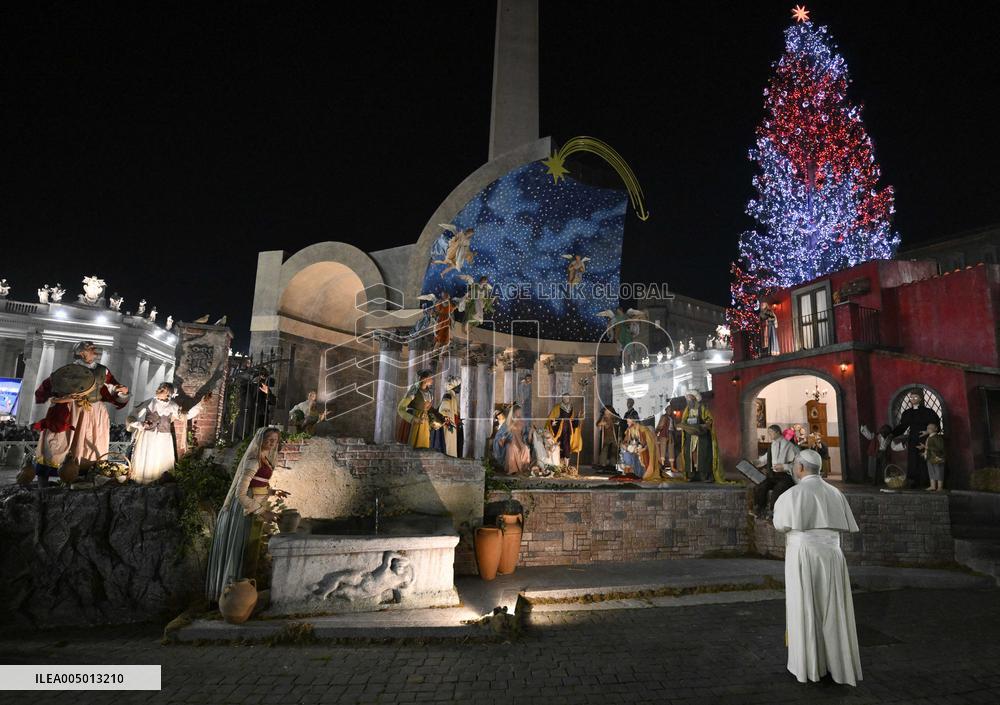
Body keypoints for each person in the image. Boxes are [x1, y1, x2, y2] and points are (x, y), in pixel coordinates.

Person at [773, 449, 862, 687]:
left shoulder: (792, 495)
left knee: (805, 605)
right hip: (833, 555)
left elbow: (781, 524)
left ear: (800, 468)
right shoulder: (835, 493)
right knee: (834, 607)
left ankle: (809, 665)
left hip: (803, 554)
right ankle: (839, 664)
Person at [205, 427, 289, 600]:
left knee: (249, 550)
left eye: (275, 440)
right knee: (240, 549)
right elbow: (241, 493)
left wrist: (273, 492)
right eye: (269, 439)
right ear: (260, 439)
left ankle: (244, 595)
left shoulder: (265, 459)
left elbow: (257, 485)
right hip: (244, 510)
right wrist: (263, 512)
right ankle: (232, 596)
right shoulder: (253, 460)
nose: (272, 443)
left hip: (255, 507)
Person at [32, 341, 130, 484]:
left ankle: (85, 476)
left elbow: (112, 387)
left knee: (91, 443)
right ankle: (51, 476)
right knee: (61, 442)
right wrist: (61, 398)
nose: (94, 350)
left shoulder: (103, 370)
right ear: (81, 352)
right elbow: (48, 388)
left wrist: (121, 390)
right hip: (71, 410)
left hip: (95, 412)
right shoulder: (68, 370)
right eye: (90, 348)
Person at [129, 383, 209, 484]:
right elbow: (133, 414)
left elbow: (185, 416)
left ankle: (159, 483)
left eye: (168, 393)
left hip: (164, 438)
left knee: (160, 461)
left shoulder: (172, 405)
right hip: (148, 437)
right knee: (148, 459)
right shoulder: (150, 402)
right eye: (163, 391)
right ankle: (143, 483)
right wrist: (140, 424)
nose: (166, 395)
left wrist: (200, 404)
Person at [891, 390, 941, 489]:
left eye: (915, 397)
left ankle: (927, 481)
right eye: (911, 397)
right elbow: (903, 426)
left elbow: (935, 425)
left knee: (925, 459)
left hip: (926, 439)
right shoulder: (907, 413)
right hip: (913, 438)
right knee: (913, 459)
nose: (913, 399)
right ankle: (915, 481)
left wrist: (927, 432)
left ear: (920, 398)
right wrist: (892, 434)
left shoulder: (928, 412)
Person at [751, 425, 798, 519]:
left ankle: (773, 512)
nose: (769, 435)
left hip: (786, 476)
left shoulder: (790, 446)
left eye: (771, 432)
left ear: (777, 432)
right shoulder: (772, 445)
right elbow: (763, 460)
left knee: (779, 488)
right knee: (761, 484)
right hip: (773, 475)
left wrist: (784, 467)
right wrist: (754, 462)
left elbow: (798, 464)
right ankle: (760, 509)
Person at [677, 391, 724, 483]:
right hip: (690, 437)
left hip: (701, 437)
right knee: (689, 455)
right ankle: (691, 475)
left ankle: (704, 476)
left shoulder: (702, 408)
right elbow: (684, 421)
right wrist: (683, 426)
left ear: (695, 399)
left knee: (703, 455)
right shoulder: (687, 410)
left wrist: (704, 425)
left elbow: (709, 419)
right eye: (687, 400)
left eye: (690, 399)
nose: (688, 401)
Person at [396, 370, 439, 449]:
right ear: (424, 379)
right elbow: (400, 408)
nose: (432, 380)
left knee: (423, 448)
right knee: (411, 449)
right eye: (430, 378)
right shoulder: (414, 392)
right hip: (413, 424)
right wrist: (413, 418)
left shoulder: (430, 394)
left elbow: (428, 410)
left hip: (424, 425)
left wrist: (438, 418)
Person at [493, 404, 532, 475]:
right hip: (510, 443)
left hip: (521, 442)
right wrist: (502, 439)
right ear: (513, 415)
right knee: (511, 447)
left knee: (525, 448)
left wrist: (529, 435)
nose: (519, 417)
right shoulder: (507, 424)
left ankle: (524, 467)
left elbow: (526, 436)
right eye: (517, 415)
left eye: (520, 415)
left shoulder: (523, 424)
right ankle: (512, 469)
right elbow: (499, 437)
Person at [547, 393, 582, 468]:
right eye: (565, 398)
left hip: (568, 428)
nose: (566, 399)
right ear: (562, 398)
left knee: (566, 445)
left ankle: (566, 466)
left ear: (569, 399)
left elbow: (572, 419)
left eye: (568, 398)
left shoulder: (571, 408)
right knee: (559, 444)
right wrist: (553, 422)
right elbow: (551, 418)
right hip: (559, 428)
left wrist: (577, 418)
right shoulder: (557, 407)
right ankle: (558, 464)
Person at [437, 377, 464, 458]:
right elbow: (443, 410)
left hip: (453, 424)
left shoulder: (453, 396)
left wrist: (457, 419)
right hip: (448, 424)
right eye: (459, 386)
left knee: (452, 445)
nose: (460, 388)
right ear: (454, 387)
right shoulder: (448, 395)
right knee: (448, 445)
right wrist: (449, 419)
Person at [919, 422, 946, 491]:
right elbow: (928, 448)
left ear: (936, 429)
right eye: (928, 428)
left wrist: (926, 447)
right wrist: (925, 453)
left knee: (939, 472)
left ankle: (940, 487)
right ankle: (933, 486)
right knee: (931, 472)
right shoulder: (929, 437)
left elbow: (939, 448)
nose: (928, 429)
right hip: (930, 458)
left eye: (930, 428)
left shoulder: (937, 437)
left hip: (937, 458)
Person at [596, 404, 620, 469]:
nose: (605, 412)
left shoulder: (615, 416)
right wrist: (602, 423)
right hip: (606, 436)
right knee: (604, 449)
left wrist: (610, 423)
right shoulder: (603, 417)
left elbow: (618, 422)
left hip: (614, 435)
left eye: (607, 411)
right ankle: (602, 463)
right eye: (605, 411)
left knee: (614, 449)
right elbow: (598, 424)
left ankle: (613, 463)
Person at [655, 407, 675, 472]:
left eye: (670, 410)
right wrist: (656, 432)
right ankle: (662, 465)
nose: (670, 411)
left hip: (671, 434)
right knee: (662, 450)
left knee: (671, 450)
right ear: (666, 410)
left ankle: (672, 466)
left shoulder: (672, 417)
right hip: (664, 434)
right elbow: (660, 425)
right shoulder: (664, 417)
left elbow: (674, 426)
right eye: (668, 410)